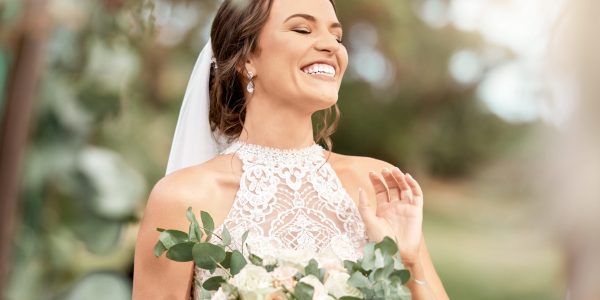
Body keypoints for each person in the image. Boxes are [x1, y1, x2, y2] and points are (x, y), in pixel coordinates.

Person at [133, 0, 449, 299]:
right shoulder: (182, 198)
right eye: (302, 29)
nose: (331, 45)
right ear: (246, 59)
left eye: (336, 35)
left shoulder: (376, 183)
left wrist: (409, 263)